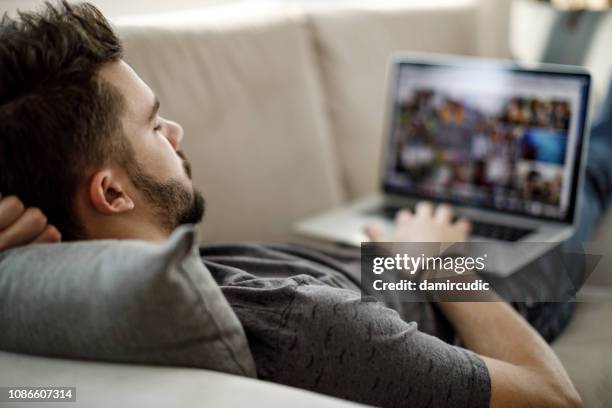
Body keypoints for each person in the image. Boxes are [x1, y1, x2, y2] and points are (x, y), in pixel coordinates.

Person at [5, 2, 611, 407]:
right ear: (111, 192)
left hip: (377, 259)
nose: (176, 132)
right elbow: (552, 397)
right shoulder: (299, 326)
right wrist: (437, 259)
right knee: (589, 165)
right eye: (155, 123)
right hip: (455, 285)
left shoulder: (47, 273)